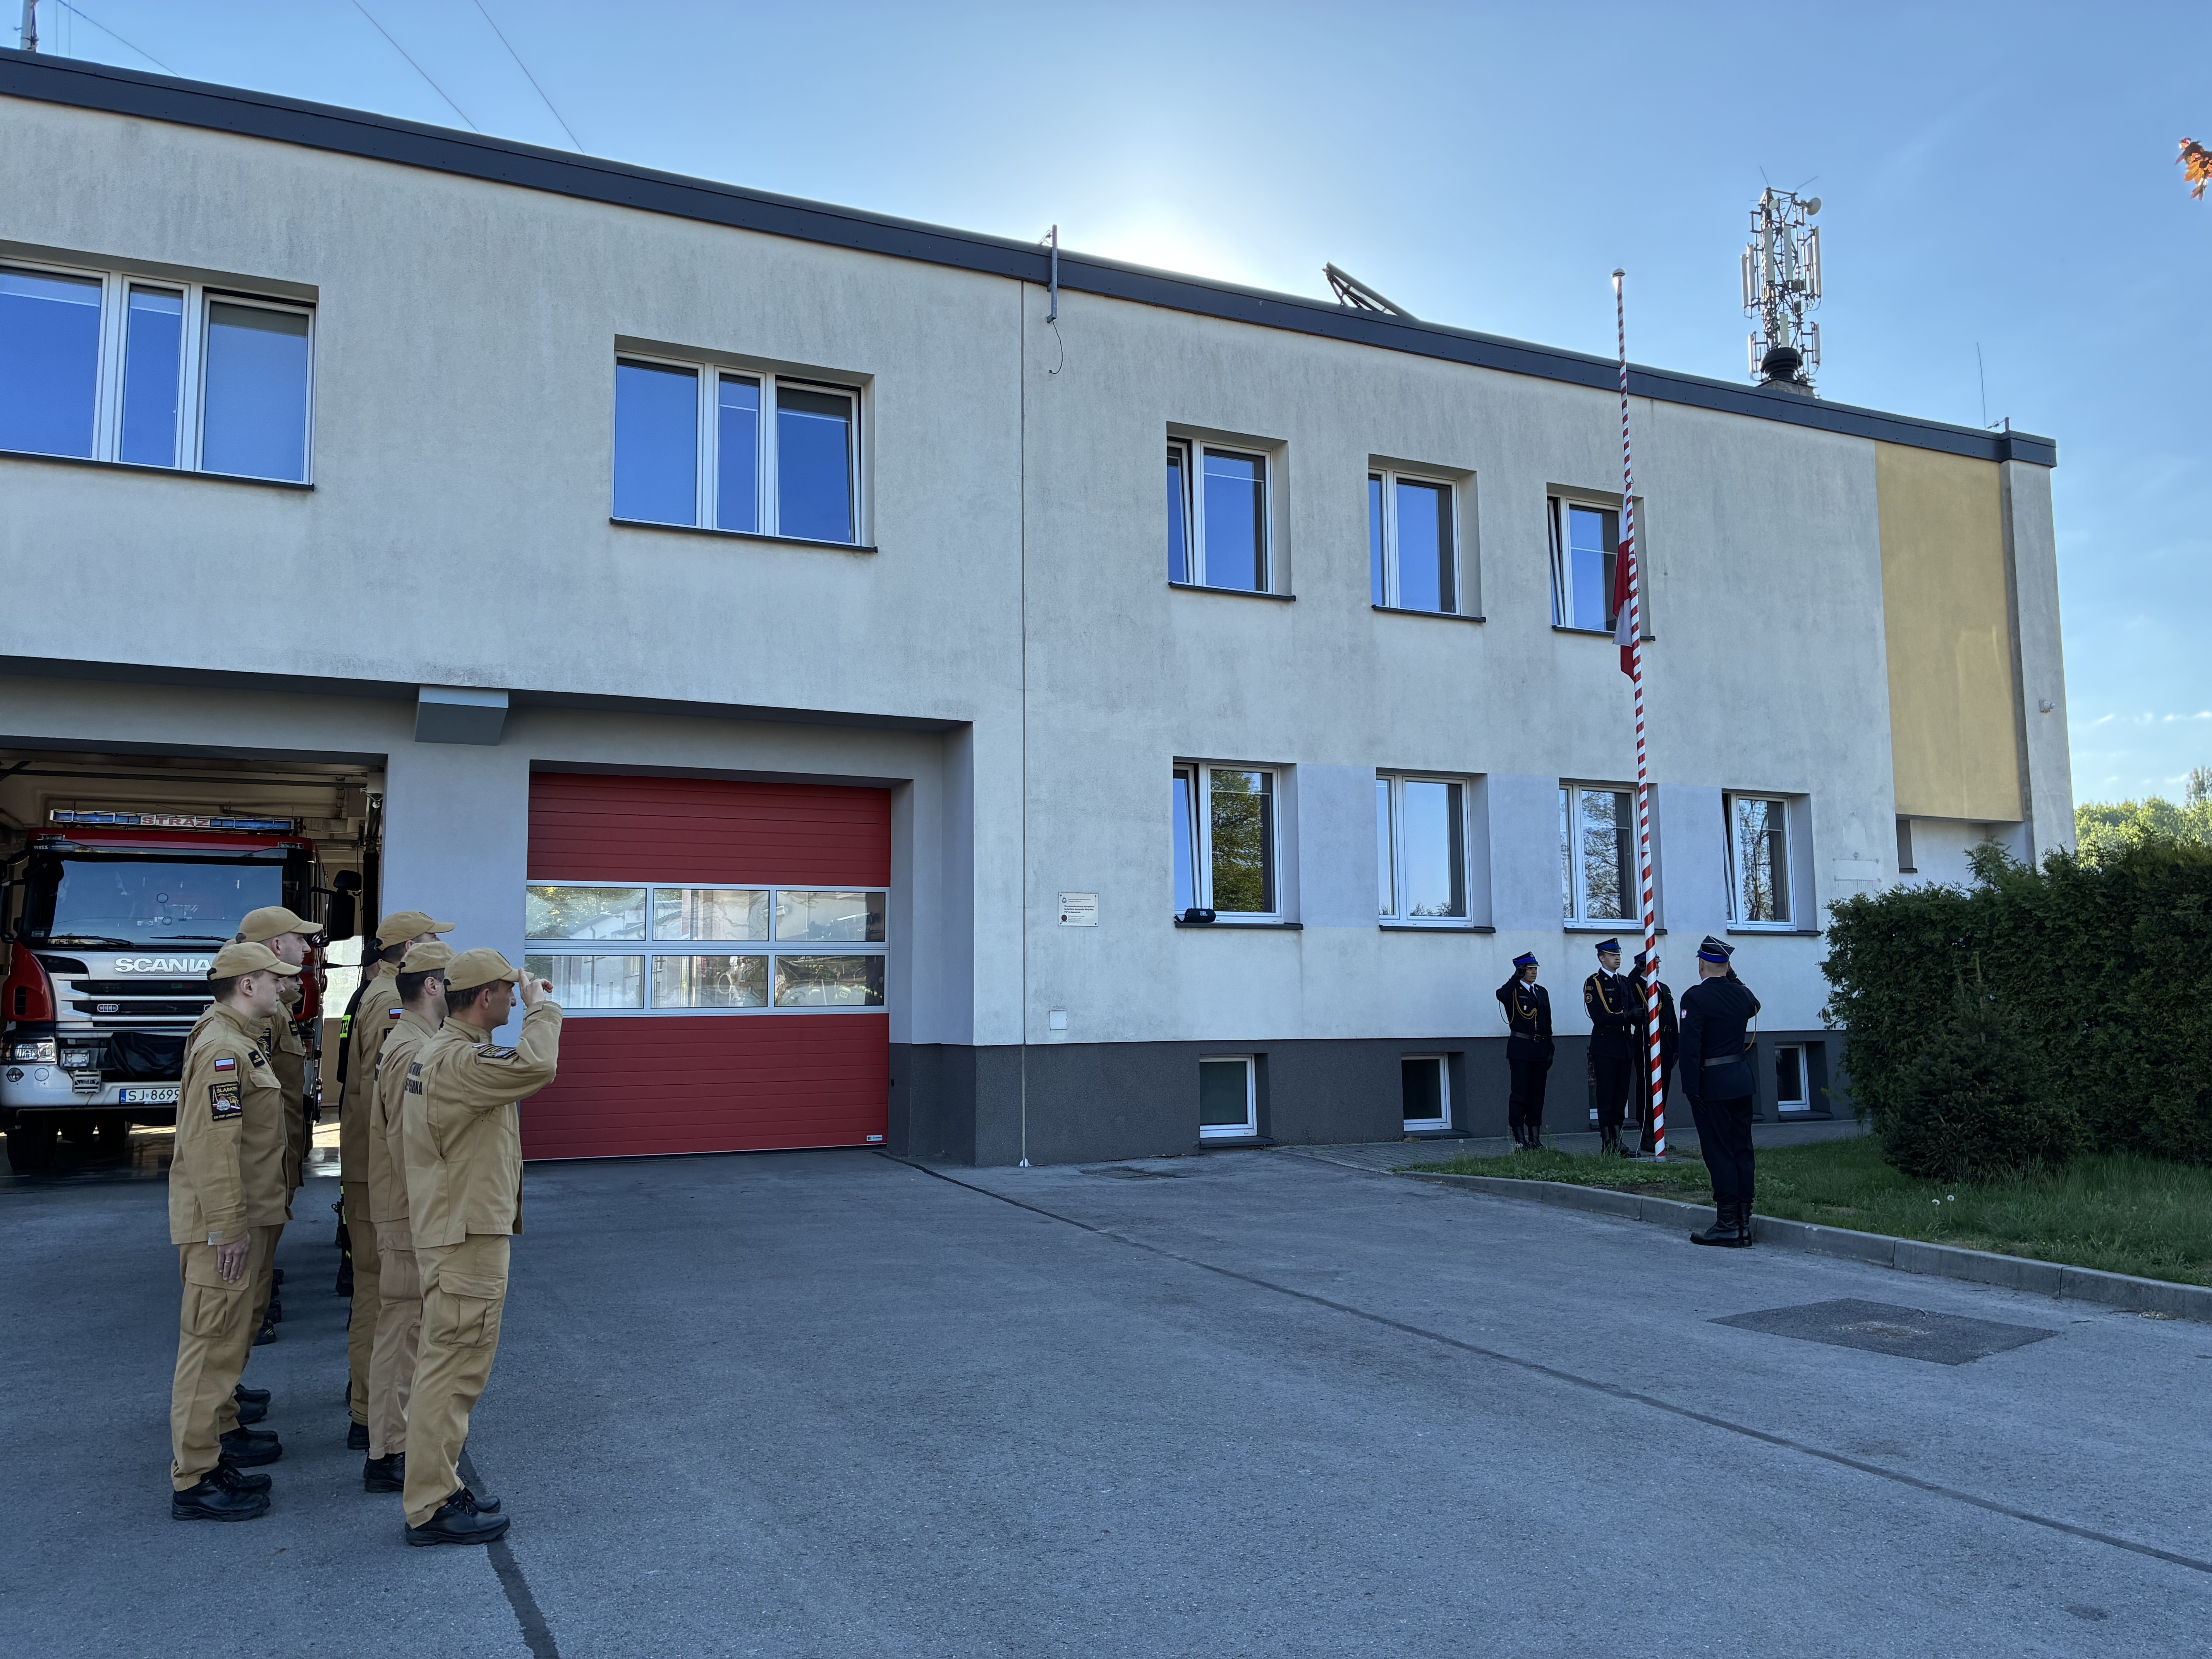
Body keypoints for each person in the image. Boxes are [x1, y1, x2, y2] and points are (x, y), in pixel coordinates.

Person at [400, 949, 561, 1546]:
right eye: (508, 990)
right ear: (484, 997)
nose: (516, 997)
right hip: (464, 1236)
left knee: (451, 1366)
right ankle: (432, 1504)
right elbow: (538, 1065)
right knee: (452, 1370)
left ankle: (438, 1487)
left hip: (458, 1227)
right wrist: (545, 1011)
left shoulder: (449, 1051)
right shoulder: (460, 1061)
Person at [167, 941, 298, 1521]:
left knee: (222, 1345)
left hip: (247, 1216)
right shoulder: (223, 1049)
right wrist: (227, 1228)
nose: (283, 988)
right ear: (247, 985)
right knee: (210, 1348)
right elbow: (212, 1148)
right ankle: (194, 1479)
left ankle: (211, 1452)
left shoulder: (237, 1039)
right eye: (274, 979)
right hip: (224, 1226)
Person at [337, 910, 455, 1451]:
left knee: (384, 1298)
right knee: (387, 1300)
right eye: (430, 940)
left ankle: (371, 1405)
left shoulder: (380, 993)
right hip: (381, 1174)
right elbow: (390, 1103)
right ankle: (371, 1413)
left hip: (374, 1171)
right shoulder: (391, 1004)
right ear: (409, 950)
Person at [233, 906, 322, 1346]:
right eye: (299, 939)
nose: (306, 948)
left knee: (266, 1239)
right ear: (275, 945)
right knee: (254, 1242)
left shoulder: (275, 1002)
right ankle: (254, 1306)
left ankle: (260, 1288)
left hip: (280, 1141)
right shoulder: (256, 1011)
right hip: (264, 1151)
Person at [1679, 935, 1760, 1247]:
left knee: (1719, 1151)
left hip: (1711, 1083)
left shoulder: (1695, 998)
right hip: (1740, 1079)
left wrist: (1691, 1089)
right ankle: (1744, 1224)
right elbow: (1754, 1004)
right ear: (1728, 966)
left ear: (1701, 965)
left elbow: (1690, 1048)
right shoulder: (1742, 996)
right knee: (1742, 1149)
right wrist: (1732, 976)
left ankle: (1728, 1224)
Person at [1582, 939, 1637, 1155]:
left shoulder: (1624, 981)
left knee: (1621, 1097)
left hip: (1624, 1045)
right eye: (1612, 955)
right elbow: (1599, 1016)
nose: (1617, 958)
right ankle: (1607, 1143)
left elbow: (1632, 1008)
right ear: (1601, 958)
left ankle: (1618, 1140)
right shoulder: (1594, 983)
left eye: (1619, 955)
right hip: (1606, 1045)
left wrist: (1640, 1016)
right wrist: (1628, 1016)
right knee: (1606, 1096)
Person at [1496, 953, 1553, 1150]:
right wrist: (1515, 978)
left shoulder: (1542, 992)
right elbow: (1501, 995)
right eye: (1529, 969)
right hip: (1521, 1048)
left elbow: (1547, 1021)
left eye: (1535, 968)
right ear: (1521, 970)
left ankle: (1535, 1138)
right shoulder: (1513, 991)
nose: (1534, 972)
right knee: (1520, 1095)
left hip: (1540, 1049)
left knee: (1537, 1096)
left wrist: (1550, 1048)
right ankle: (1520, 1139)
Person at [1628, 950, 1679, 1158]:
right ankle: (1647, 1134)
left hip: (1665, 1043)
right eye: (1652, 963)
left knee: (1662, 1089)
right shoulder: (1636, 985)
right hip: (1646, 1043)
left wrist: (1677, 1046)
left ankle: (1659, 1133)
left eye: (1658, 963)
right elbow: (1629, 984)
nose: (1656, 967)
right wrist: (1637, 970)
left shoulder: (1663, 988)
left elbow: (1672, 1017)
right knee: (1647, 1089)